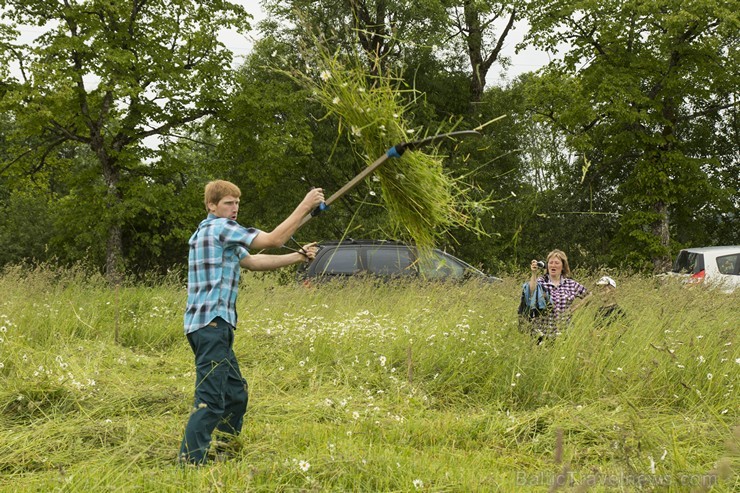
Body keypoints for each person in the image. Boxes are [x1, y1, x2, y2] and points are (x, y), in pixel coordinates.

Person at [179, 180, 324, 465]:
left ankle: (225, 451)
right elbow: (273, 240)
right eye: (227, 204)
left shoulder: (212, 232)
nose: (234, 209)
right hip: (211, 326)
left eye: (237, 203)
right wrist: (305, 205)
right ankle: (190, 463)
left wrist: (298, 256)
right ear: (212, 206)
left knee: (235, 394)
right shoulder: (220, 228)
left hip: (213, 326)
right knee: (211, 400)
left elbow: (253, 261)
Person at [521, 249, 588, 340]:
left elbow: (589, 295)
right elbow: (531, 291)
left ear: (563, 266)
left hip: (563, 334)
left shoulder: (571, 284)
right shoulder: (541, 282)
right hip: (541, 333)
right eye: (550, 263)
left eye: (556, 263)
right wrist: (534, 273)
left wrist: (574, 308)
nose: (553, 265)